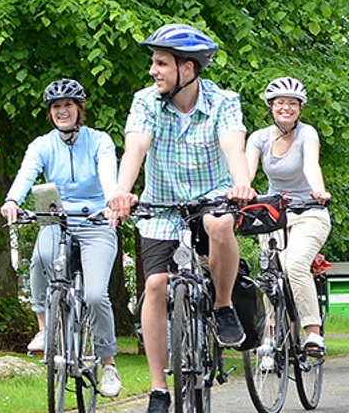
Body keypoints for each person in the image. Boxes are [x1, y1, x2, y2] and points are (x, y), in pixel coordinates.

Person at [106, 23, 256, 413]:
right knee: (156, 285)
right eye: (153, 63)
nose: (153, 70)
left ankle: (222, 305)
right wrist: (122, 191)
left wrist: (241, 183)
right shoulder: (146, 102)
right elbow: (135, 147)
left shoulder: (224, 102)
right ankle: (158, 389)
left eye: (160, 63)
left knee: (220, 223)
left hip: (210, 198)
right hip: (162, 205)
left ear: (186, 69)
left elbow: (232, 145)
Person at [0, 78, 124, 397]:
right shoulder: (42, 144)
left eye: (68, 105)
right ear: (50, 113)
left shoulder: (100, 141)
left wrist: (113, 202)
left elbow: (109, 174)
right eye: (56, 106)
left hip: (96, 219)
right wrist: (12, 200)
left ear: (79, 109)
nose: (62, 111)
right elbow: (26, 173)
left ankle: (108, 363)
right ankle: (44, 329)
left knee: (96, 295)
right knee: (41, 257)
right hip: (56, 216)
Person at [245, 76, 333, 356]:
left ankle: (312, 334)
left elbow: (311, 164)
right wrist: (242, 191)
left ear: (300, 108)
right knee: (270, 272)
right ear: (270, 106)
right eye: (280, 103)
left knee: (294, 264)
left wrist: (318, 190)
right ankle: (271, 337)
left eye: (293, 103)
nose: (286, 108)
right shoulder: (258, 138)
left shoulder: (307, 133)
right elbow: (247, 171)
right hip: (274, 214)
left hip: (310, 212)